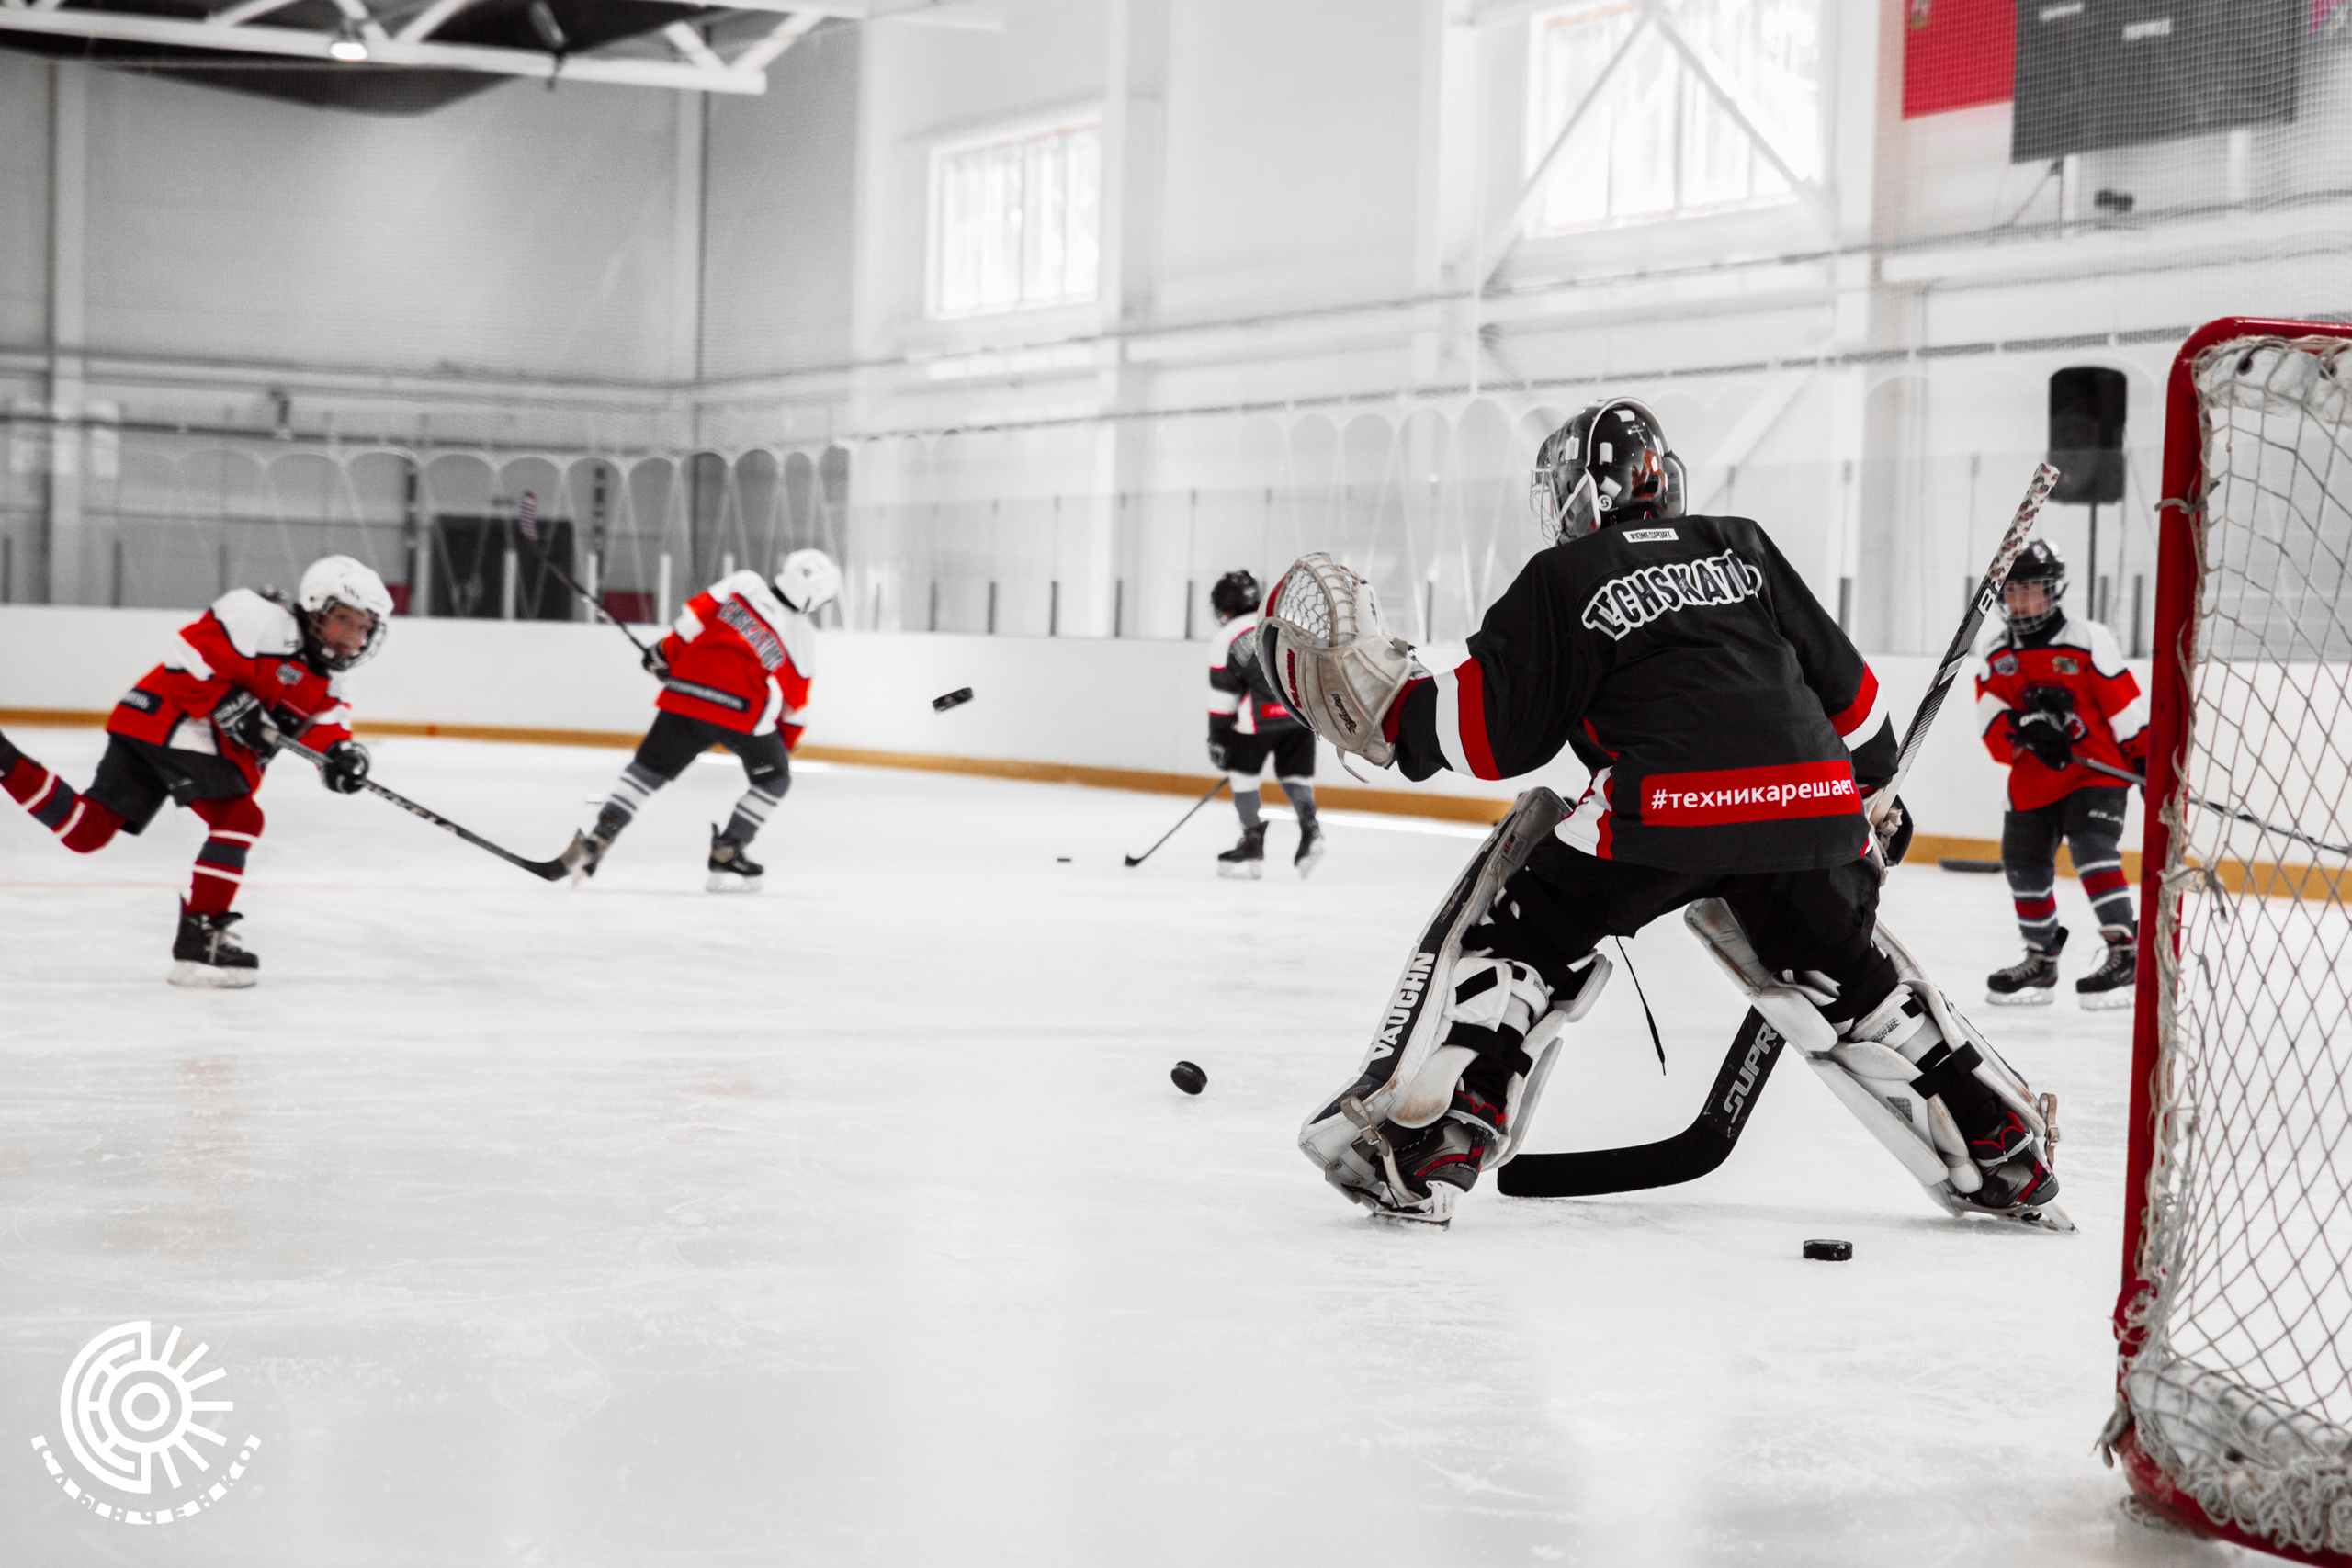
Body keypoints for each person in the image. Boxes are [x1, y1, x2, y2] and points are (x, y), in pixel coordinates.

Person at [1269, 398, 2061, 1225]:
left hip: (1661, 812)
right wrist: (1872, 795)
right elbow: (1858, 706)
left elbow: (1481, 733)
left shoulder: (1564, 576)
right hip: (1812, 807)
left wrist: (1394, 718)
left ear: (1582, 494)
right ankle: (1996, 1138)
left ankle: (1447, 1136)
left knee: (1524, 934)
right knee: (1850, 972)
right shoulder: (1742, 545)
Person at [0, 556, 390, 987]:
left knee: (87, 831)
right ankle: (200, 936)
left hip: (143, 722)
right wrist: (227, 705)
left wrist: (342, 758)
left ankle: (4, 760)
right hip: (175, 715)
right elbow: (188, 655)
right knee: (239, 818)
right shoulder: (262, 619)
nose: (355, 636)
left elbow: (327, 730)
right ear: (315, 608)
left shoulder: (332, 681)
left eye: (365, 627)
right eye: (344, 620)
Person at [574, 550, 839, 891]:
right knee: (774, 780)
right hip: (741, 712)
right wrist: (782, 747)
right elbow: (795, 704)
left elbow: (692, 622)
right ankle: (729, 850)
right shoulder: (800, 634)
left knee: (646, 774)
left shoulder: (745, 582)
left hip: (685, 695)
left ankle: (600, 836)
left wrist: (665, 655)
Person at [1972, 540, 2149, 1009]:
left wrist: (2144, 760)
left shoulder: (2087, 637)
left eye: (2030, 590)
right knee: (2023, 863)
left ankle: (2124, 953)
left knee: (2092, 848)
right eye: (2011, 592)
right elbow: (1990, 724)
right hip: (2033, 779)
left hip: (2098, 770)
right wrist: (2023, 728)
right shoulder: (1995, 653)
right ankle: (2041, 961)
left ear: (2052, 591)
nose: (2020, 602)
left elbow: (2124, 704)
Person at [1206, 569, 1324, 878]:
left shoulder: (1225, 638)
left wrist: (1218, 737)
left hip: (1254, 724)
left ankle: (1252, 840)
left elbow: (1223, 697)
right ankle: (1311, 832)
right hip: (1299, 717)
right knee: (1296, 777)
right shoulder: (1283, 625)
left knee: (1243, 778)